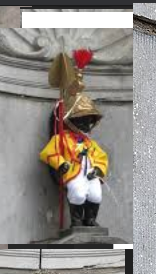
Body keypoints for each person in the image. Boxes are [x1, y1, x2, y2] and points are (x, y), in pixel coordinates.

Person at [40, 49, 109, 227]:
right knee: (78, 193)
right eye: (82, 121)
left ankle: (90, 219)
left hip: (90, 173)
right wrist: (61, 163)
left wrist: (98, 169)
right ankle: (76, 220)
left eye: (88, 121)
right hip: (73, 172)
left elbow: (101, 157)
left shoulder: (89, 143)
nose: (86, 125)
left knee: (96, 195)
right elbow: (48, 153)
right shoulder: (62, 139)